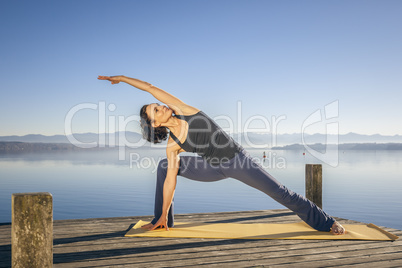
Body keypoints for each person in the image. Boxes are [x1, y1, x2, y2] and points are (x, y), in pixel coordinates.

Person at [98, 75, 346, 235]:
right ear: (155, 124)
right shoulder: (173, 145)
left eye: (158, 104)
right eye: (155, 109)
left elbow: (150, 87)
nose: (161, 106)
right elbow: (171, 182)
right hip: (212, 168)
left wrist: (121, 78)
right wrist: (164, 211)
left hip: (237, 161)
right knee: (165, 166)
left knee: (279, 192)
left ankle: (325, 222)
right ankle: (162, 220)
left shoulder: (185, 110)